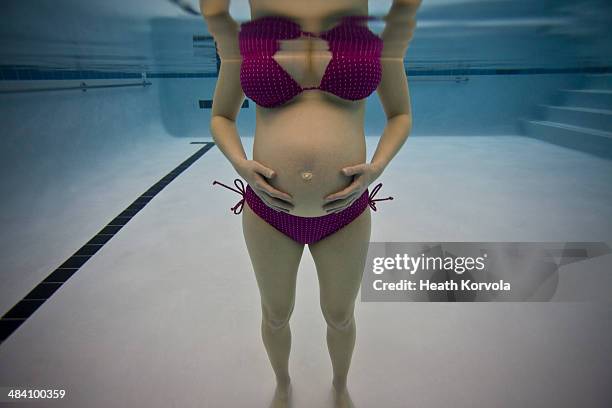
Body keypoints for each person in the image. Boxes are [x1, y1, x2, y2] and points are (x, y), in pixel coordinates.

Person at [200, 0, 420, 406]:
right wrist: (241, 164)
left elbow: (400, 114)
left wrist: (377, 167)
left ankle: (339, 385)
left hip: (346, 213)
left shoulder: (371, 38)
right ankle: (283, 384)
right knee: (275, 314)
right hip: (267, 212)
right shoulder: (248, 40)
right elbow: (222, 117)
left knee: (340, 316)